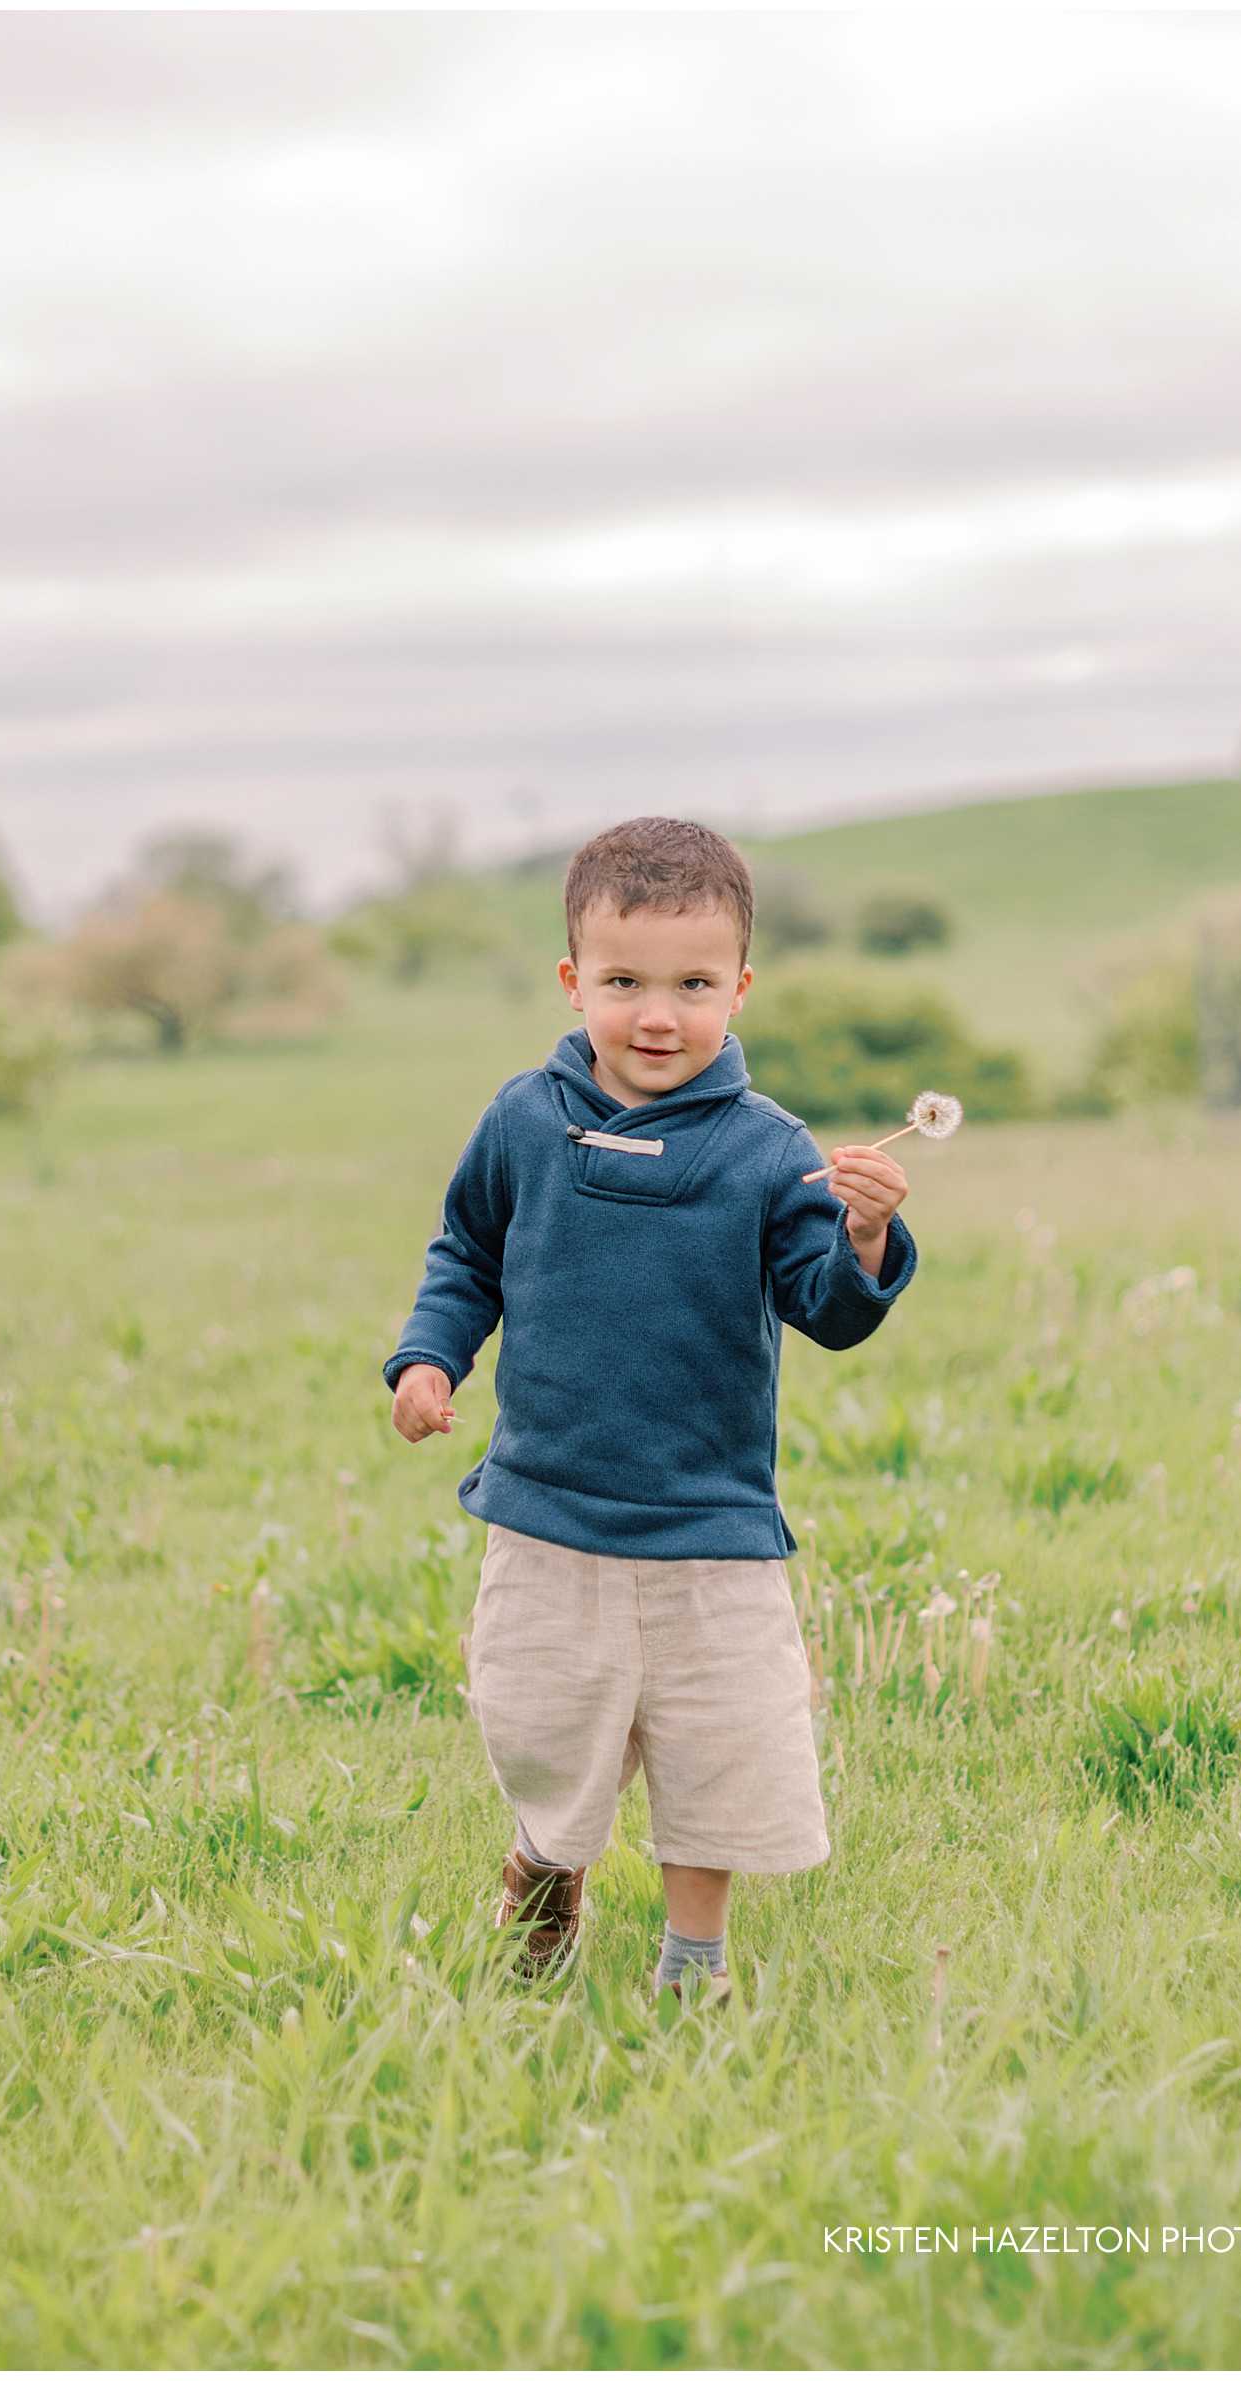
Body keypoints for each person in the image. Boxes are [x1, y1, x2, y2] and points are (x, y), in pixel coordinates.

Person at [383, 816, 918, 2006]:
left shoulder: (768, 1151)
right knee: (539, 1723)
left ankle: (694, 1961)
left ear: (741, 986)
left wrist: (865, 1232)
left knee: (715, 1744)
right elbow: (465, 1252)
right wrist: (431, 1360)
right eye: (623, 982)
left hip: (708, 1520)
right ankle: (545, 1861)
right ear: (575, 980)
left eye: (692, 983)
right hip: (545, 1506)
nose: (658, 1014)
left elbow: (823, 1306)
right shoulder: (524, 1119)